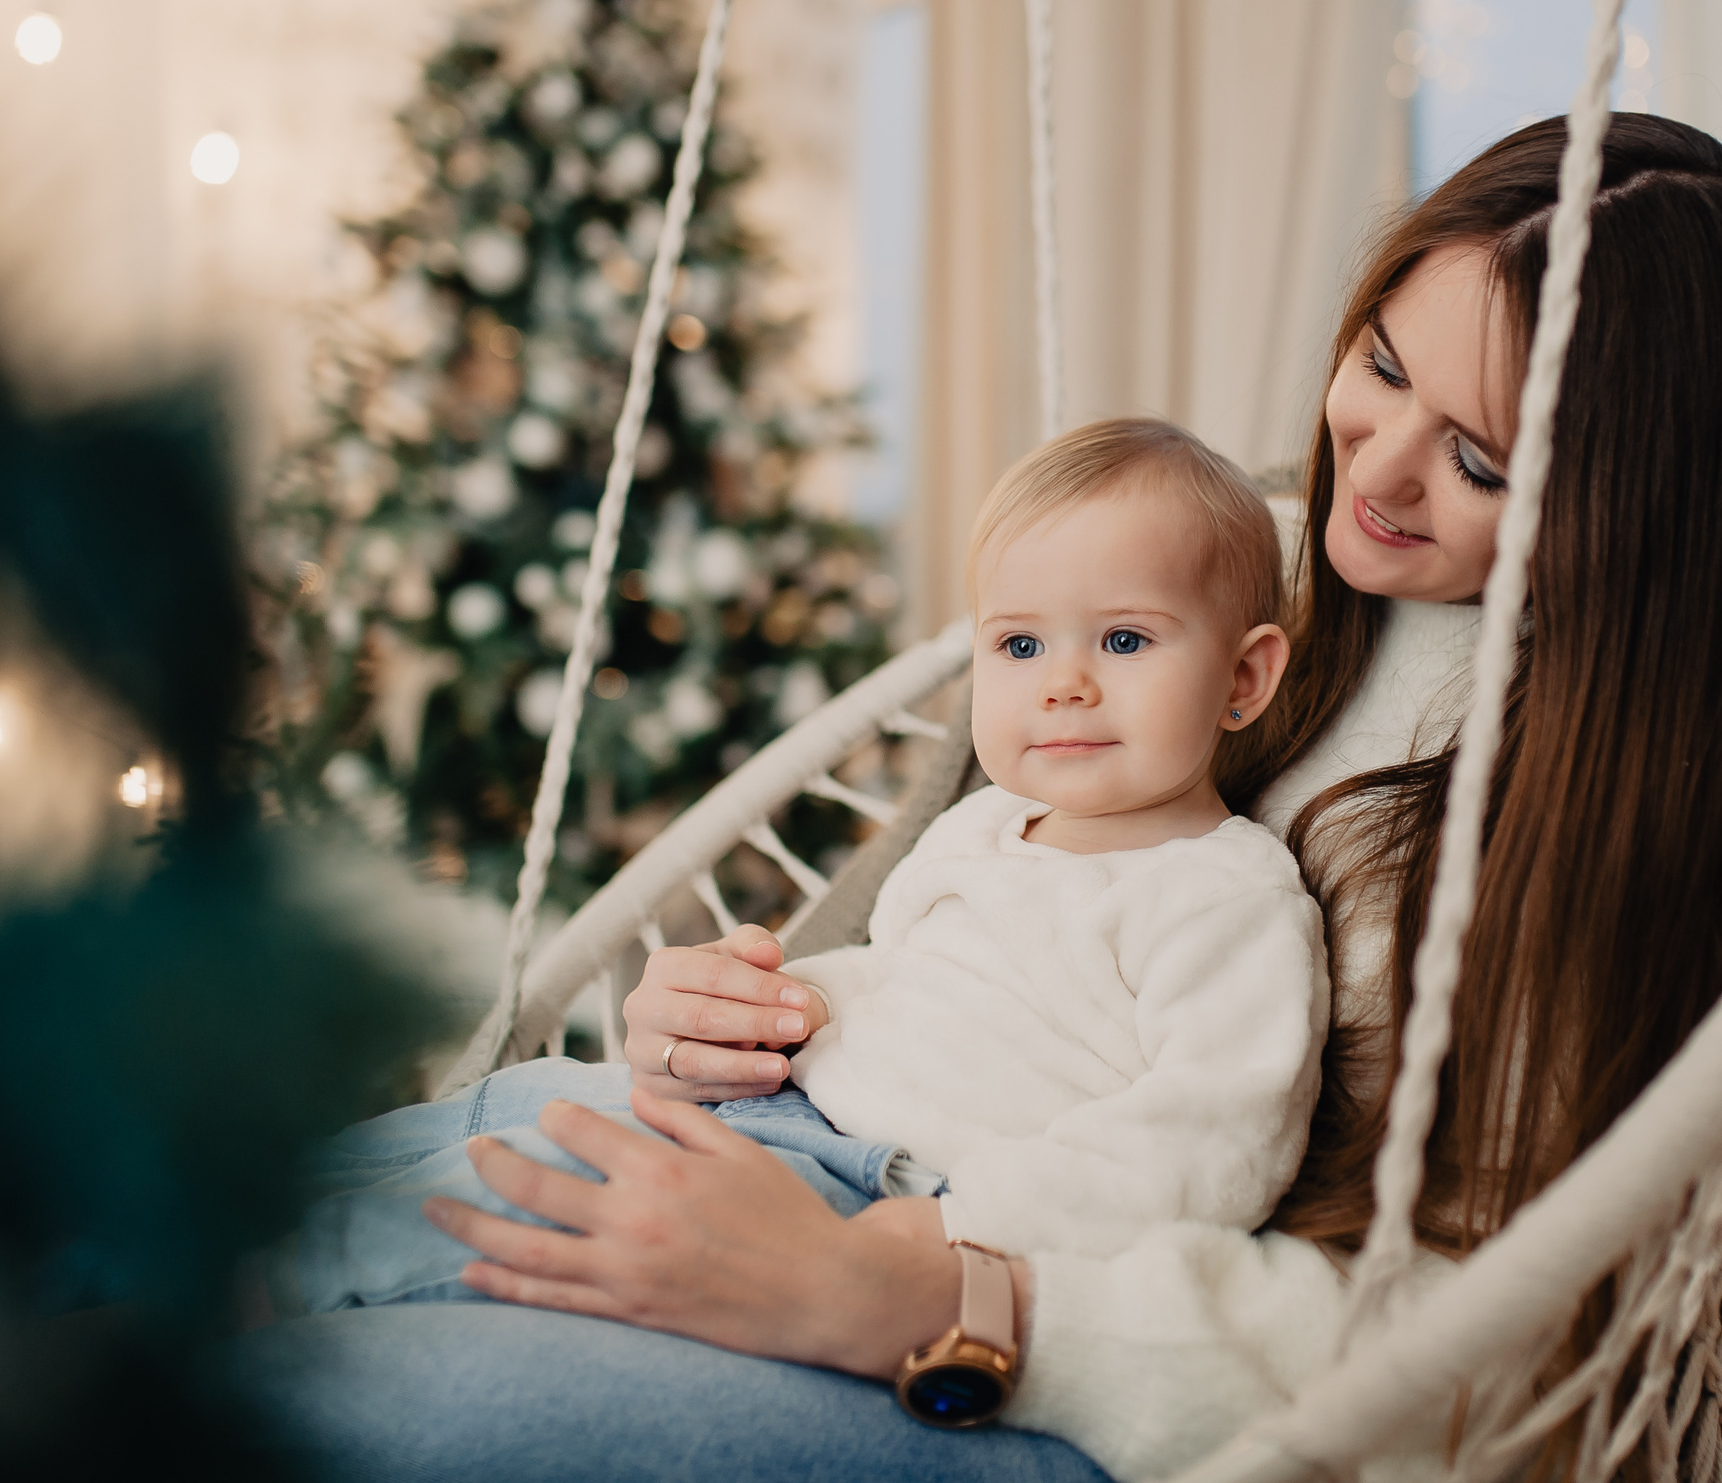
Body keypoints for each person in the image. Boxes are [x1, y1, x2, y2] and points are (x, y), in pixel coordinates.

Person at [225, 116, 1722, 1482]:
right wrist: (732, 1016)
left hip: (1047, 1366)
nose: (1367, 473)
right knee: (248, 1214)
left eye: (1482, 457)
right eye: (1378, 363)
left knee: (322, 1401)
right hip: (845, 1170)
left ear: (1627, 501)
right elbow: (954, 962)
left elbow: (1477, 1356)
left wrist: (914, 1283)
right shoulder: (1242, 610)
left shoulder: (1579, 837)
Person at [278, 419, 1324, 1320]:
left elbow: (1206, 1149)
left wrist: (949, 1229)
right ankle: (182, 1212)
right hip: (780, 1107)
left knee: (511, 1191)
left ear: (1243, 675)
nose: (1063, 685)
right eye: (1017, 647)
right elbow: (894, 971)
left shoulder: (1225, 897)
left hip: (873, 1192)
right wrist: (778, 1000)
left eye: (1126, 637)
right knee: (510, 1101)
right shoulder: (981, 825)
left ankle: (211, 1303)